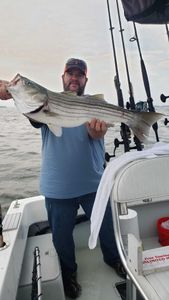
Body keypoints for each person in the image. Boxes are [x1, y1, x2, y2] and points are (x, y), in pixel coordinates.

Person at [0, 58, 126, 299]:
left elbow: (96, 134)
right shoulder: (46, 104)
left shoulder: (92, 105)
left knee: (107, 228)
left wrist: (96, 133)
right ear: (63, 78)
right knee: (62, 238)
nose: (74, 78)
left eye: (80, 75)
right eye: (70, 73)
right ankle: (68, 274)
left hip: (94, 183)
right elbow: (35, 116)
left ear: (85, 80)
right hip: (58, 188)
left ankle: (114, 260)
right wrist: (13, 90)